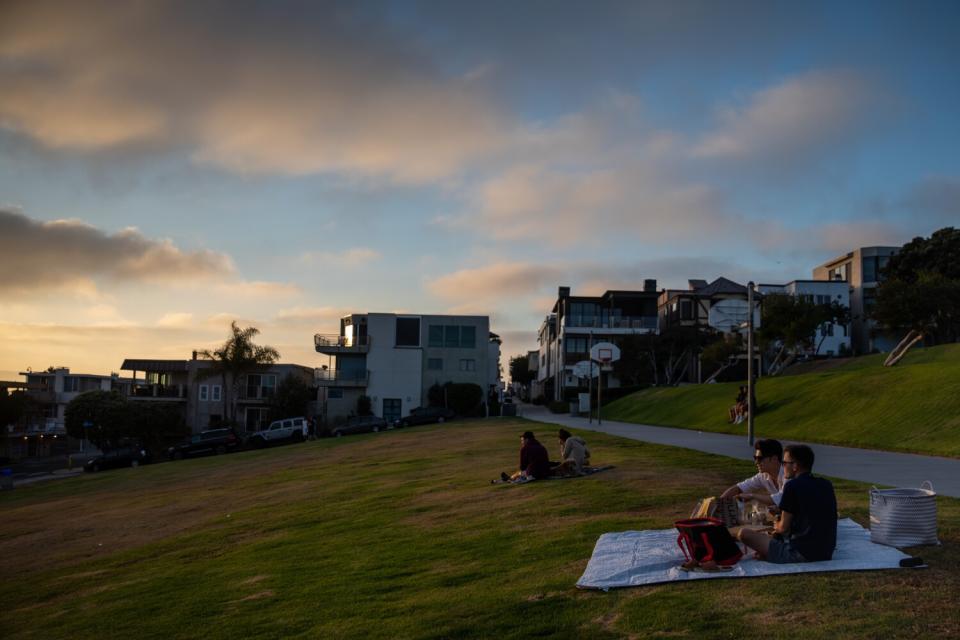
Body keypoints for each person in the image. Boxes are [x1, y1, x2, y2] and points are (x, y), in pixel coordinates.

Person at [737, 444, 838, 563]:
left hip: (800, 553)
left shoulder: (792, 486)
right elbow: (810, 510)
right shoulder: (826, 484)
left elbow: (783, 528)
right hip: (826, 552)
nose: (782, 466)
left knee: (743, 534)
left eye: (784, 463)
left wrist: (776, 525)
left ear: (795, 466)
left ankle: (769, 554)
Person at [720, 439, 785, 507]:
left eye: (760, 458)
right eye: (755, 458)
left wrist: (752, 496)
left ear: (774, 459)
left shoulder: (788, 475)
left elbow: (781, 498)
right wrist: (719, 503)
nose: (756, 462)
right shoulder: (763, 476)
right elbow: (739, 488)